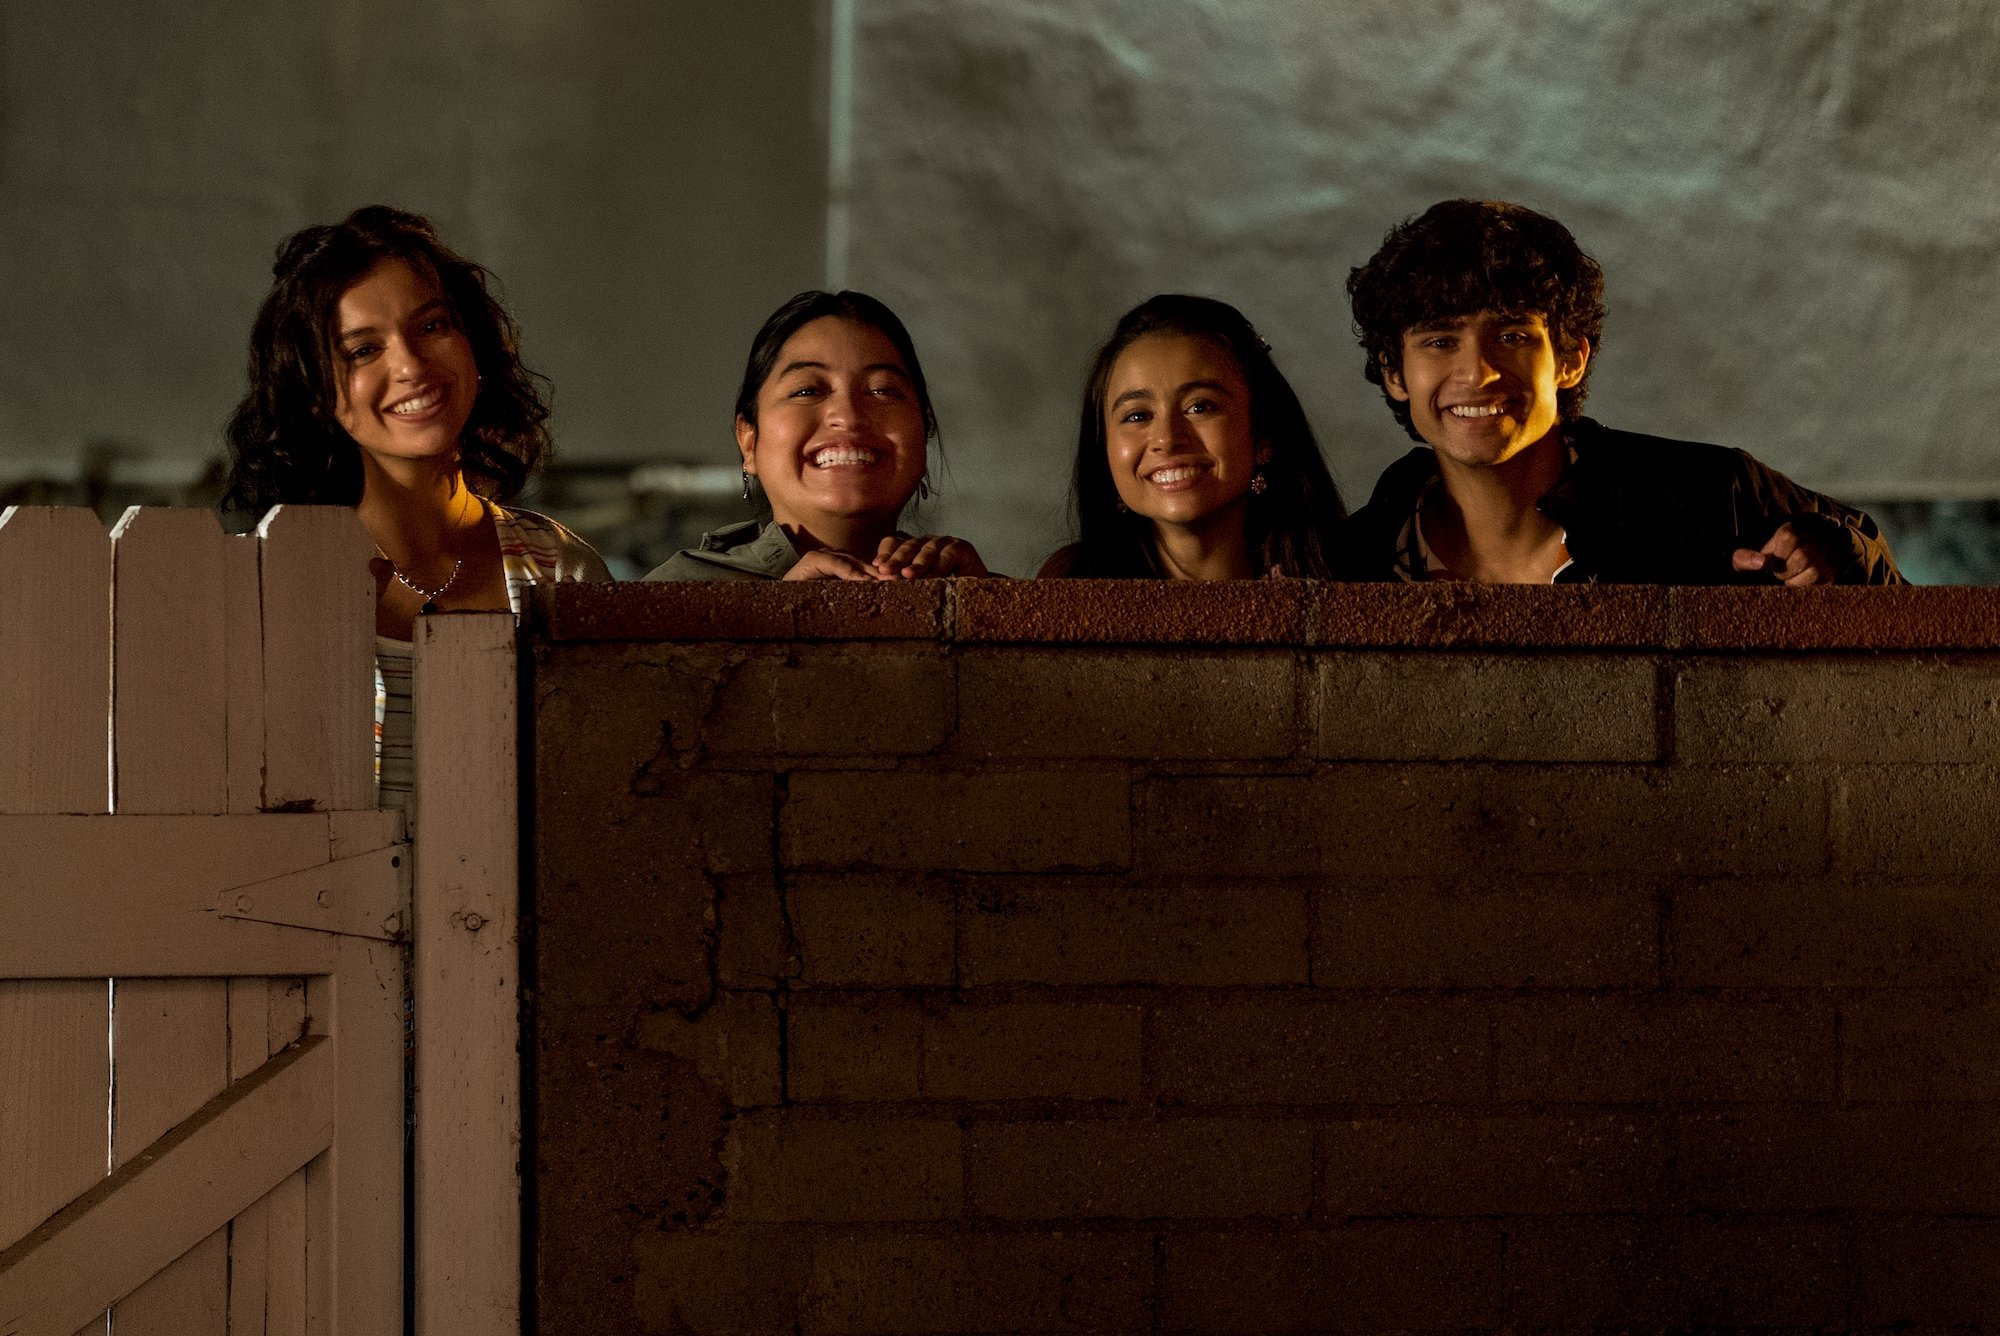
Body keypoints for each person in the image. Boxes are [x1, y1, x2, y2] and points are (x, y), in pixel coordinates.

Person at [222, 205, 609, 799]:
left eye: (431, 327)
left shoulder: (561, 569)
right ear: (317, 395)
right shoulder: (265, 586)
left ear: (474, 345)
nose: (409, 366)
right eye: (361, 351)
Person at [1337, 198, 1901, 584]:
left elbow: (1905, 608)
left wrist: (1837, 562)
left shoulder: (1710, 497)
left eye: (1510, 336)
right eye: (1439, 341)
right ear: (1394, 373)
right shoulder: (1355, 561)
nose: (1477, 372)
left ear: (1569, 359)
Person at [646, 290, 990, 581]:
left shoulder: (963, 581)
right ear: (749, 440)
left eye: (882, 391)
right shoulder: (663, 602)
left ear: (923, 432)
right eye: (807, 391)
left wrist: (988, 611)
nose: (848, 416)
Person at [1041, 294, 1346, 579]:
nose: (1168, 439)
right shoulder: (1070, 586)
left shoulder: (1355, 575)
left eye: (1199, 407)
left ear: (1264, 436)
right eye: (1138, 416)